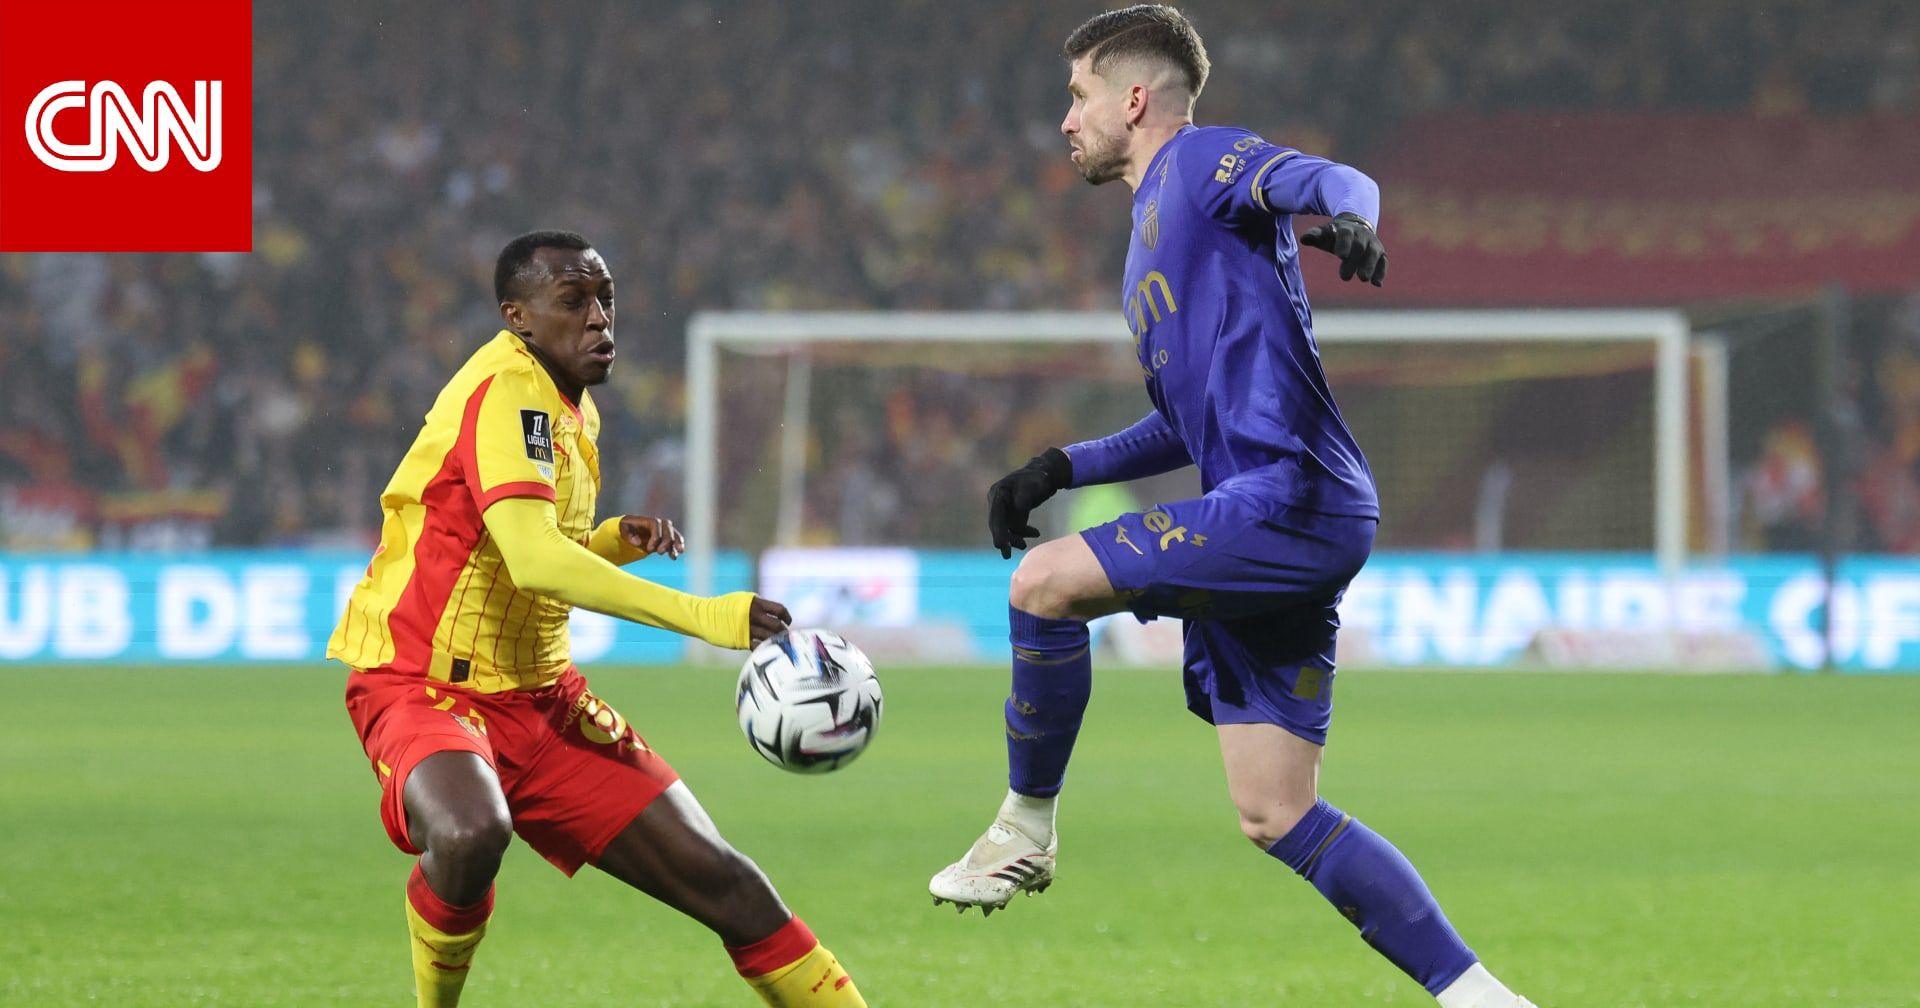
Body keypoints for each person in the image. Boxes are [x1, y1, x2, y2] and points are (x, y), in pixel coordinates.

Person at [926, 8, 1534, 1007]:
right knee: (1275, 811)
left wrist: (1353, 219)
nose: (1066, 120)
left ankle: (1024, 829)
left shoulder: (1200, 162)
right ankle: (1482, 998)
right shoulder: (1148, 244)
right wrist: (1057, 467)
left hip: (1288, 496)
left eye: (1078, 96)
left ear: (1134, 99)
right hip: (1291, 509)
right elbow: (1186, 422)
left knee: (1043, 584)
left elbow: (1336, 180)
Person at [326, 230, 866, 1007]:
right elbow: (534, 560)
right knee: (471, 830)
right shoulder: (504, 392)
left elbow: (524, 550)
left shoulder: (569, 407)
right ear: (517, 316)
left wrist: (609, 541)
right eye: (573, 301)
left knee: (732, 888)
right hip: (423, 684)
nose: (599, 319)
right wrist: (706, 617)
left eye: (606, 300)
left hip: (543, 701)